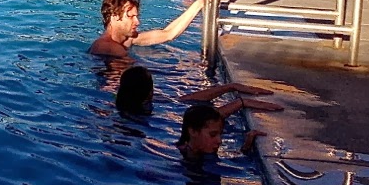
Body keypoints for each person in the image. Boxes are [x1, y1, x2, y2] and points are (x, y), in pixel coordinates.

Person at [115, 65, 283, 118]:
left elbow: (185, 100)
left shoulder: (129, 104)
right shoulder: (145, 111)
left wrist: (229, 87)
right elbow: (202, 122)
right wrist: (240, 103)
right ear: (149, 91)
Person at [88, 0, 204, 58]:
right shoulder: (108, 47)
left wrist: (199, 3)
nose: (137, 22)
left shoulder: (128, 39)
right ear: (114, 17)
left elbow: (168, 34)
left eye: (136, 16)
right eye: (131, 17)